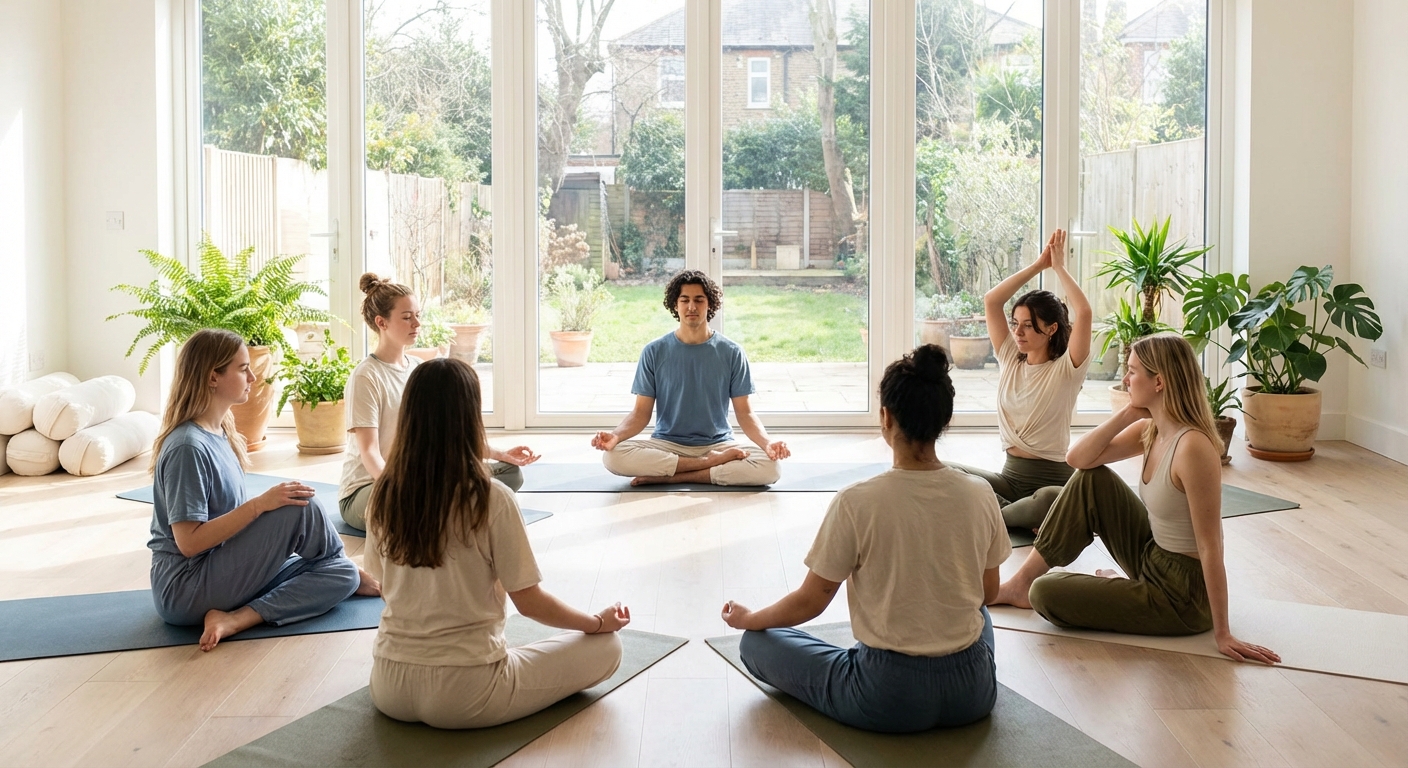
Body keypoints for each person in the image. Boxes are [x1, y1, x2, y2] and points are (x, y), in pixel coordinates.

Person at [719, 345, 1010, 733]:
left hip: (888, 695)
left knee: (754, 644)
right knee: (978, 614)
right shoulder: (980, 493)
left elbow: (811, 601)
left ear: (885, 417)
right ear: (946, 418)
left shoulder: (857, 501)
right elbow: (987, 592)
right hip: (972, 692)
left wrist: (751, 619)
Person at [365, 357, 630, 729]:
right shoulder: (491, 497)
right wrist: (596, 623)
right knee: (608, 647)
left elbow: (382, 585)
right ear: (470, 419)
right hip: (468, 692)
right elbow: (529, 601)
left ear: (409, 417)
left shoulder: (383, 495)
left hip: (388, 686)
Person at [990, 334, 1281, 664]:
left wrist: (1223, 632)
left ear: (1159, 382)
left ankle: (1106, 589)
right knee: (1092, 479)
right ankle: (1019, 583)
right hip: (1151, 556)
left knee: (1045, 592)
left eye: (1132, 371)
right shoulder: (1152, 430)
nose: (1125, 379)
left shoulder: (1193, 448)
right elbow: (1077, 459)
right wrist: (1128, 413)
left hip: (1181, 595)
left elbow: (1210, 545)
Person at [147, 329, 377, 652]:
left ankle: (345, 571)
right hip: (185, 587)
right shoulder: (188, 447)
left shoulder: (220, 431)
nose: (253, 377)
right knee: (299, 506)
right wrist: (259, 506)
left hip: (218, 566)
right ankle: (236, 619)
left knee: (343, 575)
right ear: (213, 377)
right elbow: (189, 543)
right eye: (243, 369)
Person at [338, 273, 540, 530]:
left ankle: (440, 508)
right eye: (407, 317)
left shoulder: (419, 368)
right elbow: (369, 452)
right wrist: (403, 489)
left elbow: (448, 436)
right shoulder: (366, 376)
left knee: (510, 474)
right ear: (382, 322)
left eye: (417, 315)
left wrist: (501, 454)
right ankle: (447, 509)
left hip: (421, 481)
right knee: (420, 501)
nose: (416, 323)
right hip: (374, 489)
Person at [949, 229, 1094, 532]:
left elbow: (1084, 312)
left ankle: (1003, 514)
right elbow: (992, 301)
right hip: (1010, 480)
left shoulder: (1068, 368)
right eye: (1015, 323)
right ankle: (1014, 514)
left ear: (1052, 329)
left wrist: (1058, 268)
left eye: (1028, 325)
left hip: (1051, 484)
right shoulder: (1009, 357)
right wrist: (1038, 266)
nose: (1017, 332)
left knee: (1047, 500)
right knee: (946, 472)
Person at [591, 270, 789, 486]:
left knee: (770, 468)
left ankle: (678, 475)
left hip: (719, 444)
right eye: (684, 300)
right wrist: (616, 436)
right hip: (667, 444)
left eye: (699, 300)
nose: (692, 307)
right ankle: (708, 464)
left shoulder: (732, 352)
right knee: (613, 457)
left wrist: (767, 443)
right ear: (675, 305)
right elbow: (640, 413)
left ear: (710, 304)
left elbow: (745, 413)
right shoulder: (654, 351)